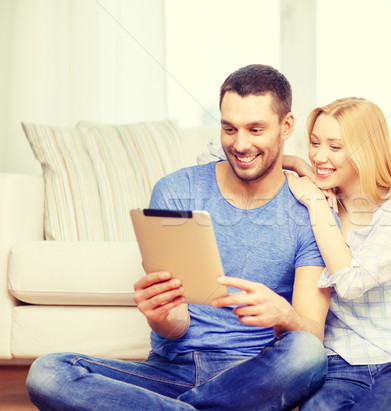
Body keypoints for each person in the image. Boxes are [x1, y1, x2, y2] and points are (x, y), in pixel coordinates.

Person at [26, 64, 330, 410]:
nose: (240, 144)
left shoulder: (309, 211)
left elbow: (311, 334)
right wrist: (160, 316)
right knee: (47, 372)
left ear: (286, 126)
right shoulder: (176, 190)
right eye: (229, 129)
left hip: (251, 376)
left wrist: (284, 315)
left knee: (307, 353)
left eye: (255, 129)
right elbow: (175, 327)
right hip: (169, 373)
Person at [284, 97, 391, 410]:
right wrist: (295, 164)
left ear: (365, 150)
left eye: (335, 147)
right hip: (340, 368)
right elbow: (217, 159)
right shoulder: (312, 201)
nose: (319, 155)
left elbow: (351, 282)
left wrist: (316, 202)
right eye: (314, 143)